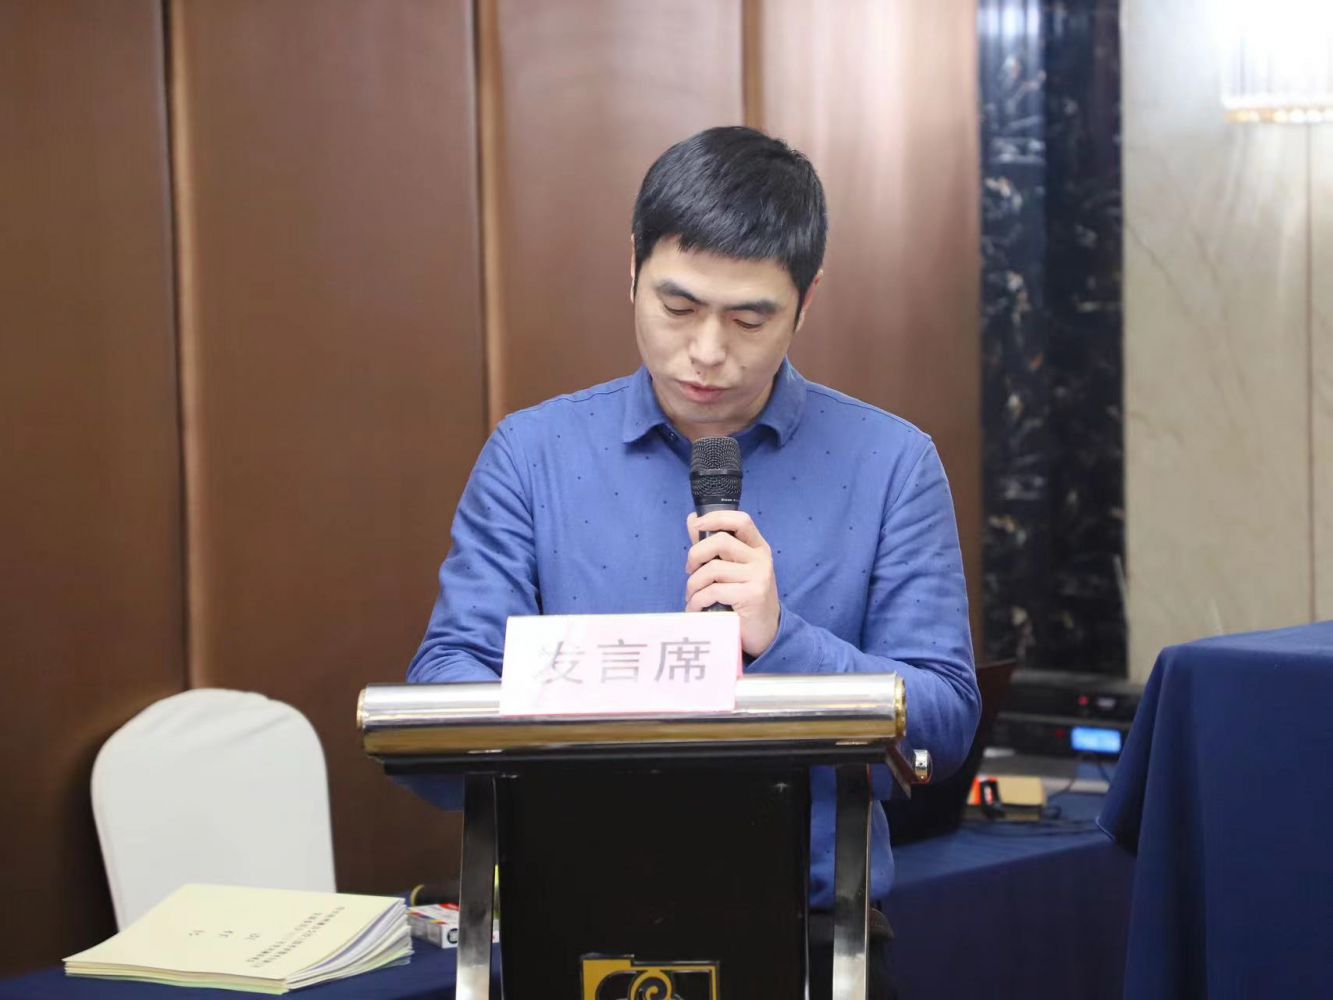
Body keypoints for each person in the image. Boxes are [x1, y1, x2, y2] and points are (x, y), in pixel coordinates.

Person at [408, 125, 980, 999]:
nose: (707, 352)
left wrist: (783, 641)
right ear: (631, 270)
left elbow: (943, 720)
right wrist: (597, 681)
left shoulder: (891, 464)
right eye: (677, 308)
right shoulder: (531, 456)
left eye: (750, 319)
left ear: (806, 302)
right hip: (566, 925)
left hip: (815, 938)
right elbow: (443, 693)